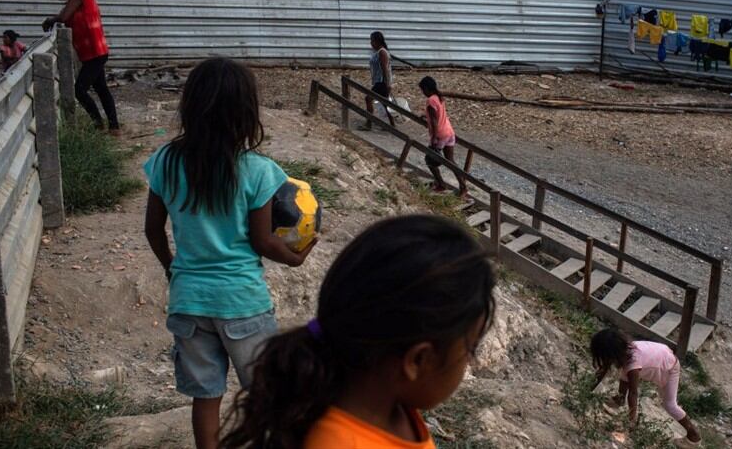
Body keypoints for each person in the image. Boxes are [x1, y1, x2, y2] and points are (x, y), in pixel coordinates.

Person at [143, 57, 317, 449]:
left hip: (188, 301)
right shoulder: (257, 170)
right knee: (267, 392)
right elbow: (261, 241)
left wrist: (174, 269)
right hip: (242, 303)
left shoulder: (166, 162)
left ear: (190, 106)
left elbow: (153, 230)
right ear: (245, 111)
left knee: (205, 395)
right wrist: (295, 257)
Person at [220, 214, 497, 449]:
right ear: (417, 361)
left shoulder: (393, 407)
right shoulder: (338, 442)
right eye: (470, 349)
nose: (468, 361)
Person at [42, 0, 120, 135]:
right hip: (94, 53)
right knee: (101, 89)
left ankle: (99, 124)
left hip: (95, 53)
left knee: (79, 90)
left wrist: (50, 20)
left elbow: (63, 17)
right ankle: (113, 127)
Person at [590, 329, 701, 447]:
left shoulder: (633, 365)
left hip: (669, 368)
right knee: (624, 374)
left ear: (612, 354)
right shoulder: (626, 350)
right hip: (662, 355)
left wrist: (631, 422)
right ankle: (619, 400)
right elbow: (604, 368)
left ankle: (693, 436)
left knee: (670, 405)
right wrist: (589, 388)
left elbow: (633, 393)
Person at [419, 77, 467, 197]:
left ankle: (441, 184)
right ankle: (463, 186)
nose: (422, 93)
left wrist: (434, 138)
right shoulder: (439, 97)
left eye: (422, 90)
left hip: (440, 134)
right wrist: (426, 117)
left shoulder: (430, 101)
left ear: (426, 88)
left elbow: (435, 121)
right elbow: (438, 115)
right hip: (449, 132)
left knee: (430, 161)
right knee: (451, 161)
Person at [360, 30, 395, 131]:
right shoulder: (380, 52)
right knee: (385, 103)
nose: (371, 43)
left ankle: (369, 123)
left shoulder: (382, 52)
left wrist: (387, 83)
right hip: (380, 81)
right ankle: (392, 124)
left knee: (368, 99)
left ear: (377, 41)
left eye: (372, 41)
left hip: (381, 82)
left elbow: (385, 68)